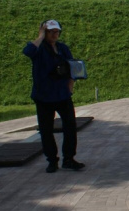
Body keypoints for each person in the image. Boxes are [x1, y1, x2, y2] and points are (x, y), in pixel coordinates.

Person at [22, 20, 85, 173]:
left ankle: (69, 158)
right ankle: (52, 160)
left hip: (62, 94)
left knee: (70, 126)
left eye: (56, 32)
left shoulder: (62, 48)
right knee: (46, 130)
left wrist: (71, 83)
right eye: (51, 32)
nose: (54, 34)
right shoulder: (39, 48)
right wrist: (40, 36)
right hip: (43, 95)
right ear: (44, 32)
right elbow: (27, 51)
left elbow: (72, 66)